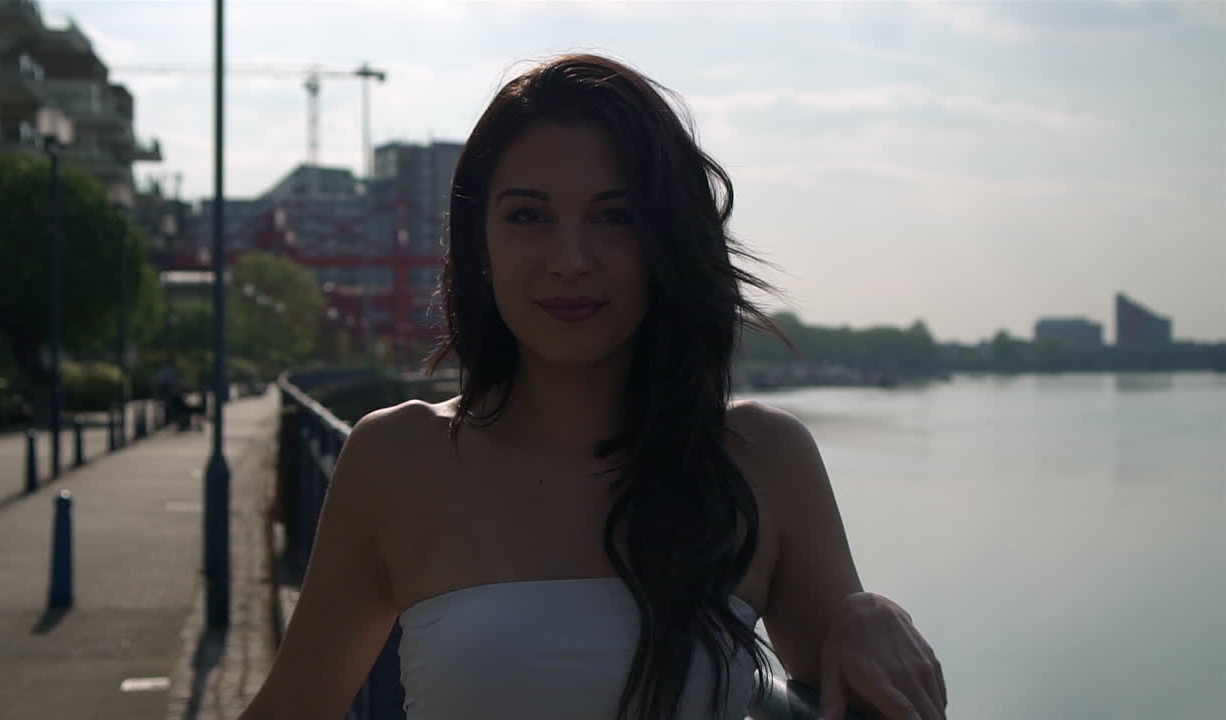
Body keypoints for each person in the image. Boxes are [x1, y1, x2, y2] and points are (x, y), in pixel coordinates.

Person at [240, 54, 946, 720]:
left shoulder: (761, 457)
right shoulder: (396, 458)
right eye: (527, 216)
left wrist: (868, 615)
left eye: (615, 217)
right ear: (477, 245)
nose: (570, 260)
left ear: (667, 241)